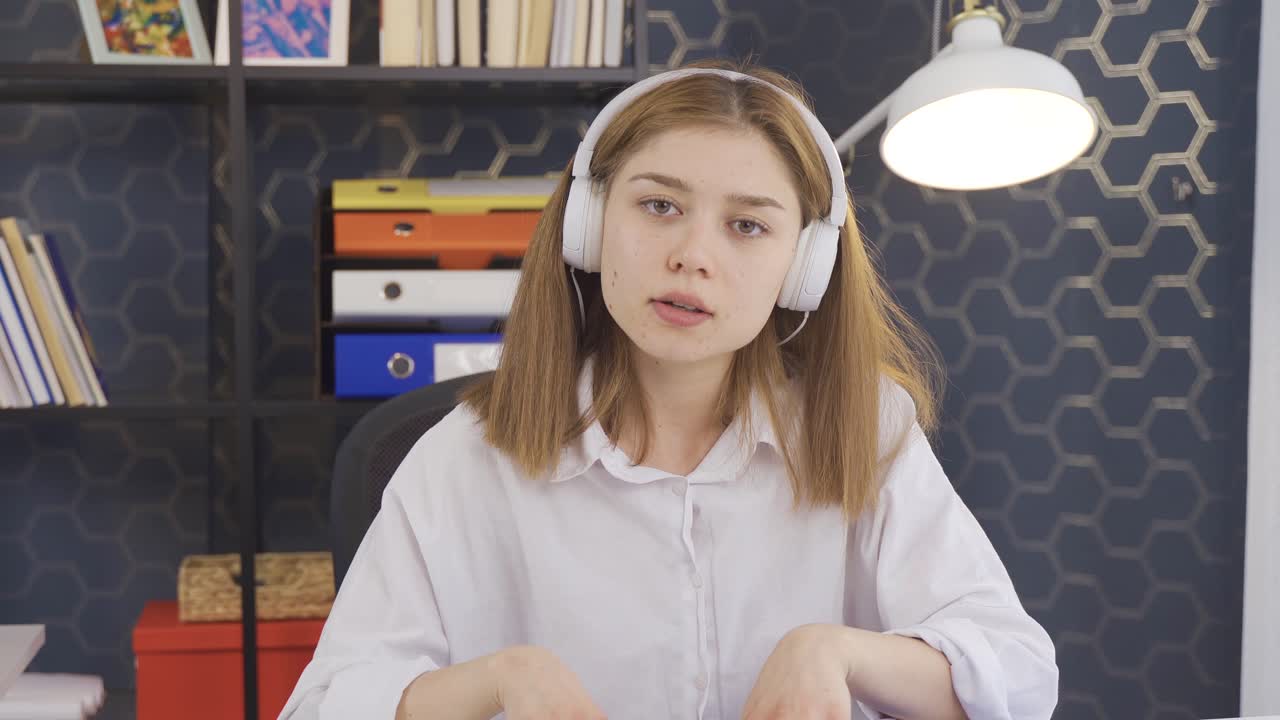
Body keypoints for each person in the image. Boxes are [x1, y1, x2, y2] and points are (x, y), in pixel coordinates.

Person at [279, 59, 1058, 720]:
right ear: (589, 224)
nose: (693, 255)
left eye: (747, 226)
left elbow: (1019, 675)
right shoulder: (466, 458)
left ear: (803, 266)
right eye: (659, 206)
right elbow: (319, 706)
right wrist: (497, 681)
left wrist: (837, 653)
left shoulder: (865, 428)